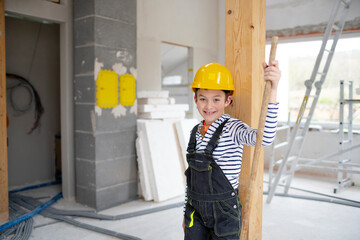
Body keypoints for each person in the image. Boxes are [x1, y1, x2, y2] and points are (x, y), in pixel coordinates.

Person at [183, 61, 281, 239]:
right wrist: (185, 212)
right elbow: (191, 181)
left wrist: (273, 89)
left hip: (224, 214)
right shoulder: (194, 133)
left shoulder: (232, 129)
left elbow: (264, 138)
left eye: (216, 99)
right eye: (203, 98)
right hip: (195, 211)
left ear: (227, 100)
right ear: (195, 99)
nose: (209, 106)